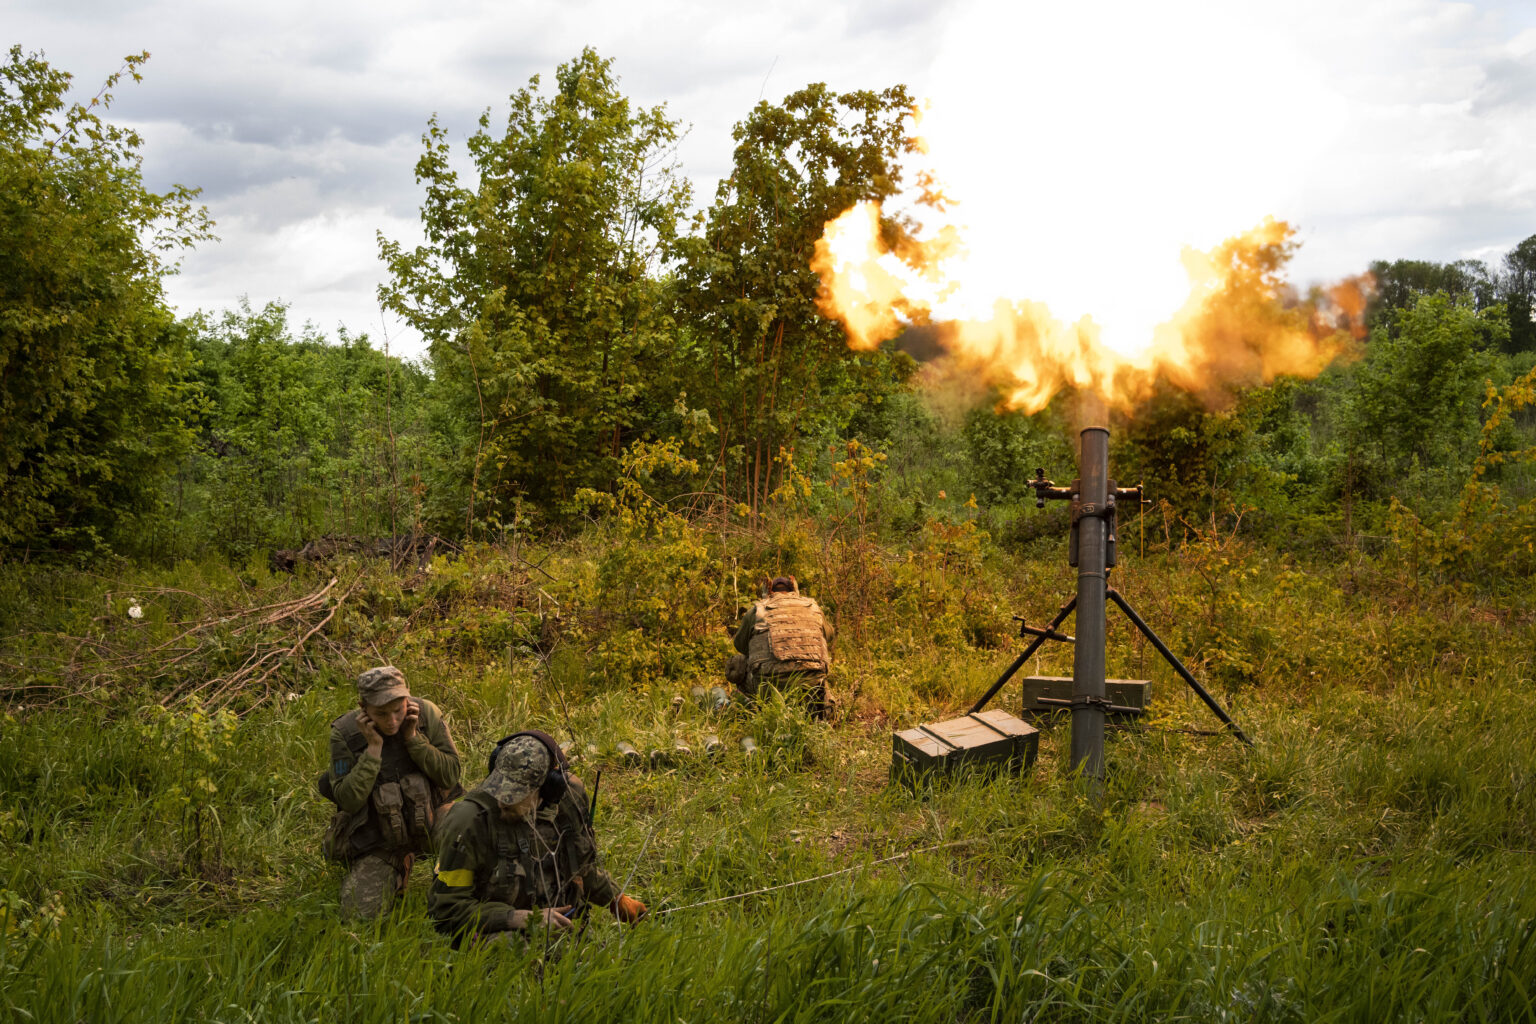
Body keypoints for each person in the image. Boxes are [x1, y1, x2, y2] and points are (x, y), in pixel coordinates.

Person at [427, 732, 646, 945]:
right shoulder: (468, 821)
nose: (503, 802)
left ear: (546, 789)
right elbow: (448, 909)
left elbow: (581, 866)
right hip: (498, 931)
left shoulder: (567, 802)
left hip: (558, 928)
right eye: (499, 789)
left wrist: (615, 898)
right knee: (513, 952)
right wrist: (519, 918)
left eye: (515, 796)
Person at [318, 665, 462, 919]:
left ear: (408, 699)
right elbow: (348, 800)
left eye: (398, 710)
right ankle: (398, 868)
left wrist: (414, 739)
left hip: (432, 818)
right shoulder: (345, 734)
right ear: (363, 708)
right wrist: (373, 748)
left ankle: (450, 893)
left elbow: (450, 775)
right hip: (381, 838)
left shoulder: (427, 714)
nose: (392, 720)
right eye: (381, 714)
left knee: (466, 832)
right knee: (358, 916)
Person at [726, 575, 836, 716]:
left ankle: (751, 711)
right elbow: (829, 635)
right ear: (793, 590)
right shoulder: (813, 607)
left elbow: (740, 645)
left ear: (768, 591)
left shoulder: (757, 610)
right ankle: (819, 711)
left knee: (739, 662)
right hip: (811, 684)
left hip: (769, 687)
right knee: (818, 676)